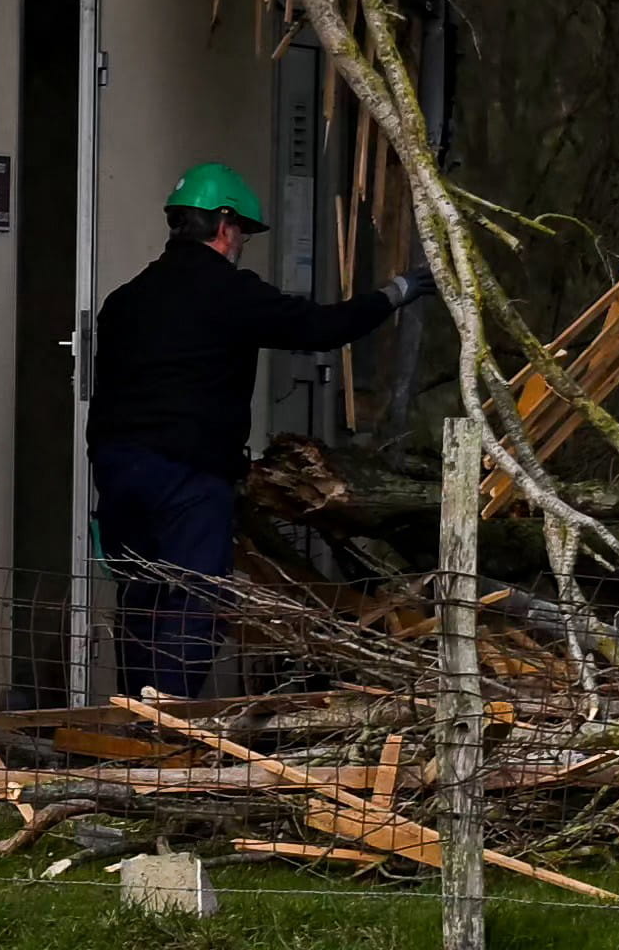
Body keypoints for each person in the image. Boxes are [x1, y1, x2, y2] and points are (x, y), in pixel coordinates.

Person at [87, 165, 420, 699]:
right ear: (224, 225)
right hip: (186, 473)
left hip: (118, 467)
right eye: (242, 230)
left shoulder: (126, 299)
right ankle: (166, 724)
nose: (242, 242)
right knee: (196, 598)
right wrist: (394, 293)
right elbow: (321, 328)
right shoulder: (228, 292)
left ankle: (133, 721)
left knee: (142, 596)